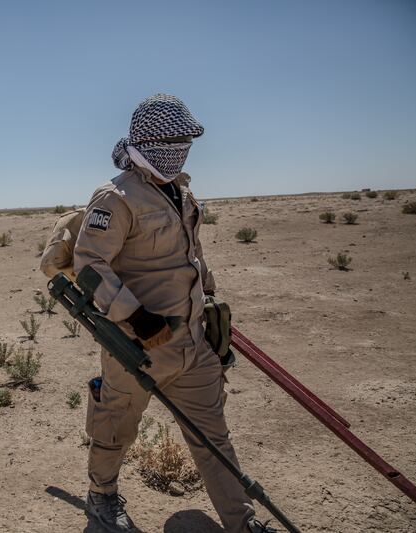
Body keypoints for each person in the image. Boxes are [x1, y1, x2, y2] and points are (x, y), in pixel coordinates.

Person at [73, 94, 273, 533]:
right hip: (136, 345)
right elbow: (89, 263)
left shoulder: (180, 190)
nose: (182, 146)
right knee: (115, 428)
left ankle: (242, 523)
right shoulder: (116, 197)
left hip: (192, 344)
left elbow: (192, 258)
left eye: (187, 139)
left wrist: (213, 306)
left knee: (213, 439)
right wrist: (136, 317)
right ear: (148, 141)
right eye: (175, 138)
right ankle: (101, 496)